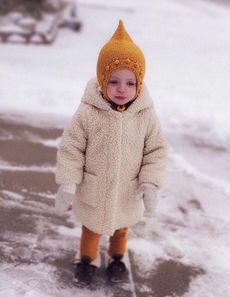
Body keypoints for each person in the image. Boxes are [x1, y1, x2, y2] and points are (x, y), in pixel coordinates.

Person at [55, 20, 167, 285]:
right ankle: (86, 260)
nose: (121, 89)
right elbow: (71, 147)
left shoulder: (145, 115)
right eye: (114, 80)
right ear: (102, 79)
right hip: (95, 189)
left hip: (127, 192)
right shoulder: (88, 113)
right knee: (91, 228)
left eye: (130, 82)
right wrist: (68, 183)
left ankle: (117, 258)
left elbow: (156, 150)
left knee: (121, 229)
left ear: (139, 84)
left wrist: (150, 182)